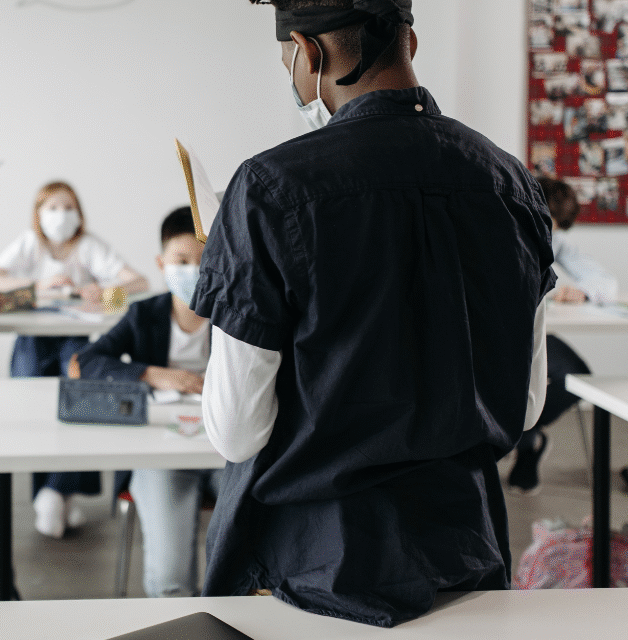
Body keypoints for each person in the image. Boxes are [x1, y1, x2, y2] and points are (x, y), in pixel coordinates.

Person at [192, 0, 555, 627]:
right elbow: (523, 406)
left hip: (315, 570)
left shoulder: (268, 188)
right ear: (409, 42)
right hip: (465, 558)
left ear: (309, 54)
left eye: (290, 61)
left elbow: (235, 431)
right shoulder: (511, 184)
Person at [0, 181, 148, 538]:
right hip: (32, 341)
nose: (61, 215)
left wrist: (104, 292)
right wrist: (38, 288)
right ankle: (50, 494)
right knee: (34, 413)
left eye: (68, 207)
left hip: (75, 338)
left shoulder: (89, 246)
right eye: (52, 208)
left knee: (79, 409)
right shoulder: (29, 245)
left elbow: (139, 284)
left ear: (80, 212)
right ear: (38, 213)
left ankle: (58, 491)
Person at [75, 207, 221, 597]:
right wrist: (155, 373)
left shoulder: (236, 314)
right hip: (162, 452)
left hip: (229, 450)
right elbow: (85, 363)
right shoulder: (144, 314)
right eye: (182, 261)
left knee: (251, 555)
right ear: (161, 263)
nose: (194, 270)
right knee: (170, 579)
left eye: (205, 261)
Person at [507, 177, 617, 493]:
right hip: (495, 339)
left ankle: (526, 437)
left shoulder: (557, 242)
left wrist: (582, 292)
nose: (546, 235)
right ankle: (522, 439)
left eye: (552, 228)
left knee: (577, 377)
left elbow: (605, 283)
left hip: (534, 335)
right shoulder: (498, 230)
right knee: (521, 382)